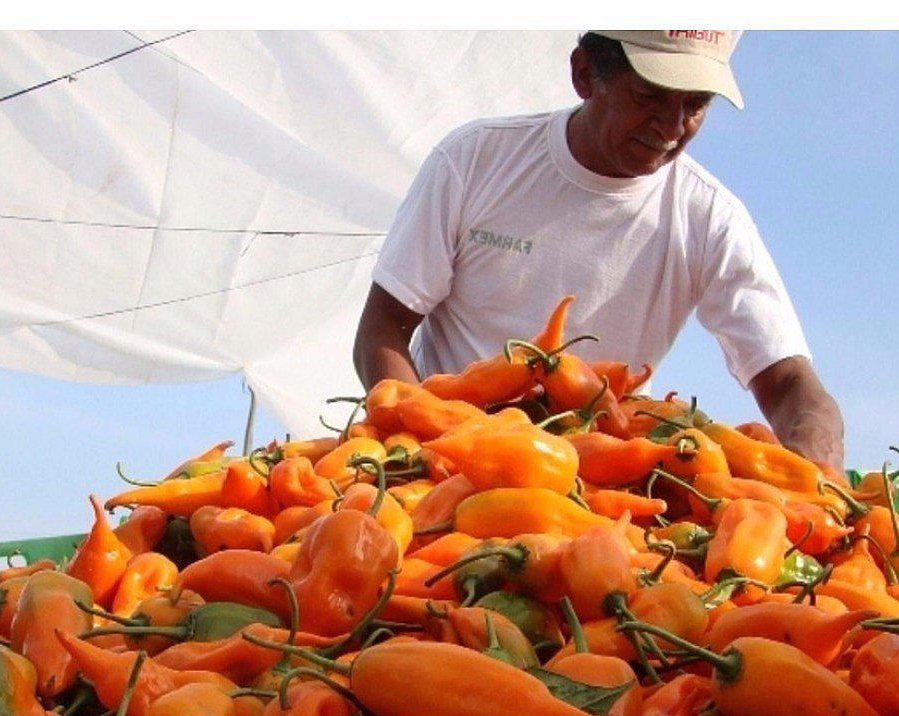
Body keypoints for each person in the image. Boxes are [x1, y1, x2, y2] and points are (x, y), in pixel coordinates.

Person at [354, 30, 844, 472]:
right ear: (585, 73)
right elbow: (383, 330)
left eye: (696, 104)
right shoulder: (475, 161)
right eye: (650, 96)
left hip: (607, 477)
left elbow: (790, 385)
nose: (672, 126)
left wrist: (812, 470)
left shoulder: (710, 217)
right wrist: (434, 445)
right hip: (449, 463)